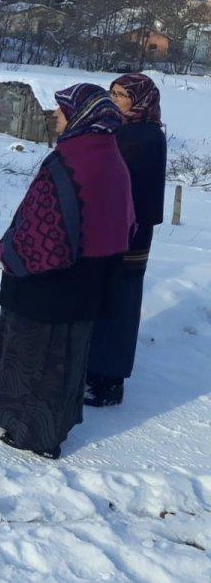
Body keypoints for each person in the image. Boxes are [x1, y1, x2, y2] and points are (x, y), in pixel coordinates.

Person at [0, 83, 134, 459]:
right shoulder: (109, 153)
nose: (55, 115)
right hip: (90, 280)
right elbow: (126, 223)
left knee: (36, 358)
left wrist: (10, 252)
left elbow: (43, 226)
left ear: (80, 116)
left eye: (62, 109)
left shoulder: (73, 158)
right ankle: (50, 426)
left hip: (50, 285)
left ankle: (35, 435)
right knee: (67, 359)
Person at [86, 74, 167, 407]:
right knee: (107, 299)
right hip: (116, 228)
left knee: (120, 303)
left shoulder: (141, 136)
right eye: (112, 92)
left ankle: (109, 382)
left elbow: (128, 188)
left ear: (141, 100)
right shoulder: (123, 129)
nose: (114, 98)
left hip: (129, 234)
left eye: (122, 94)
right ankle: (97, 371)